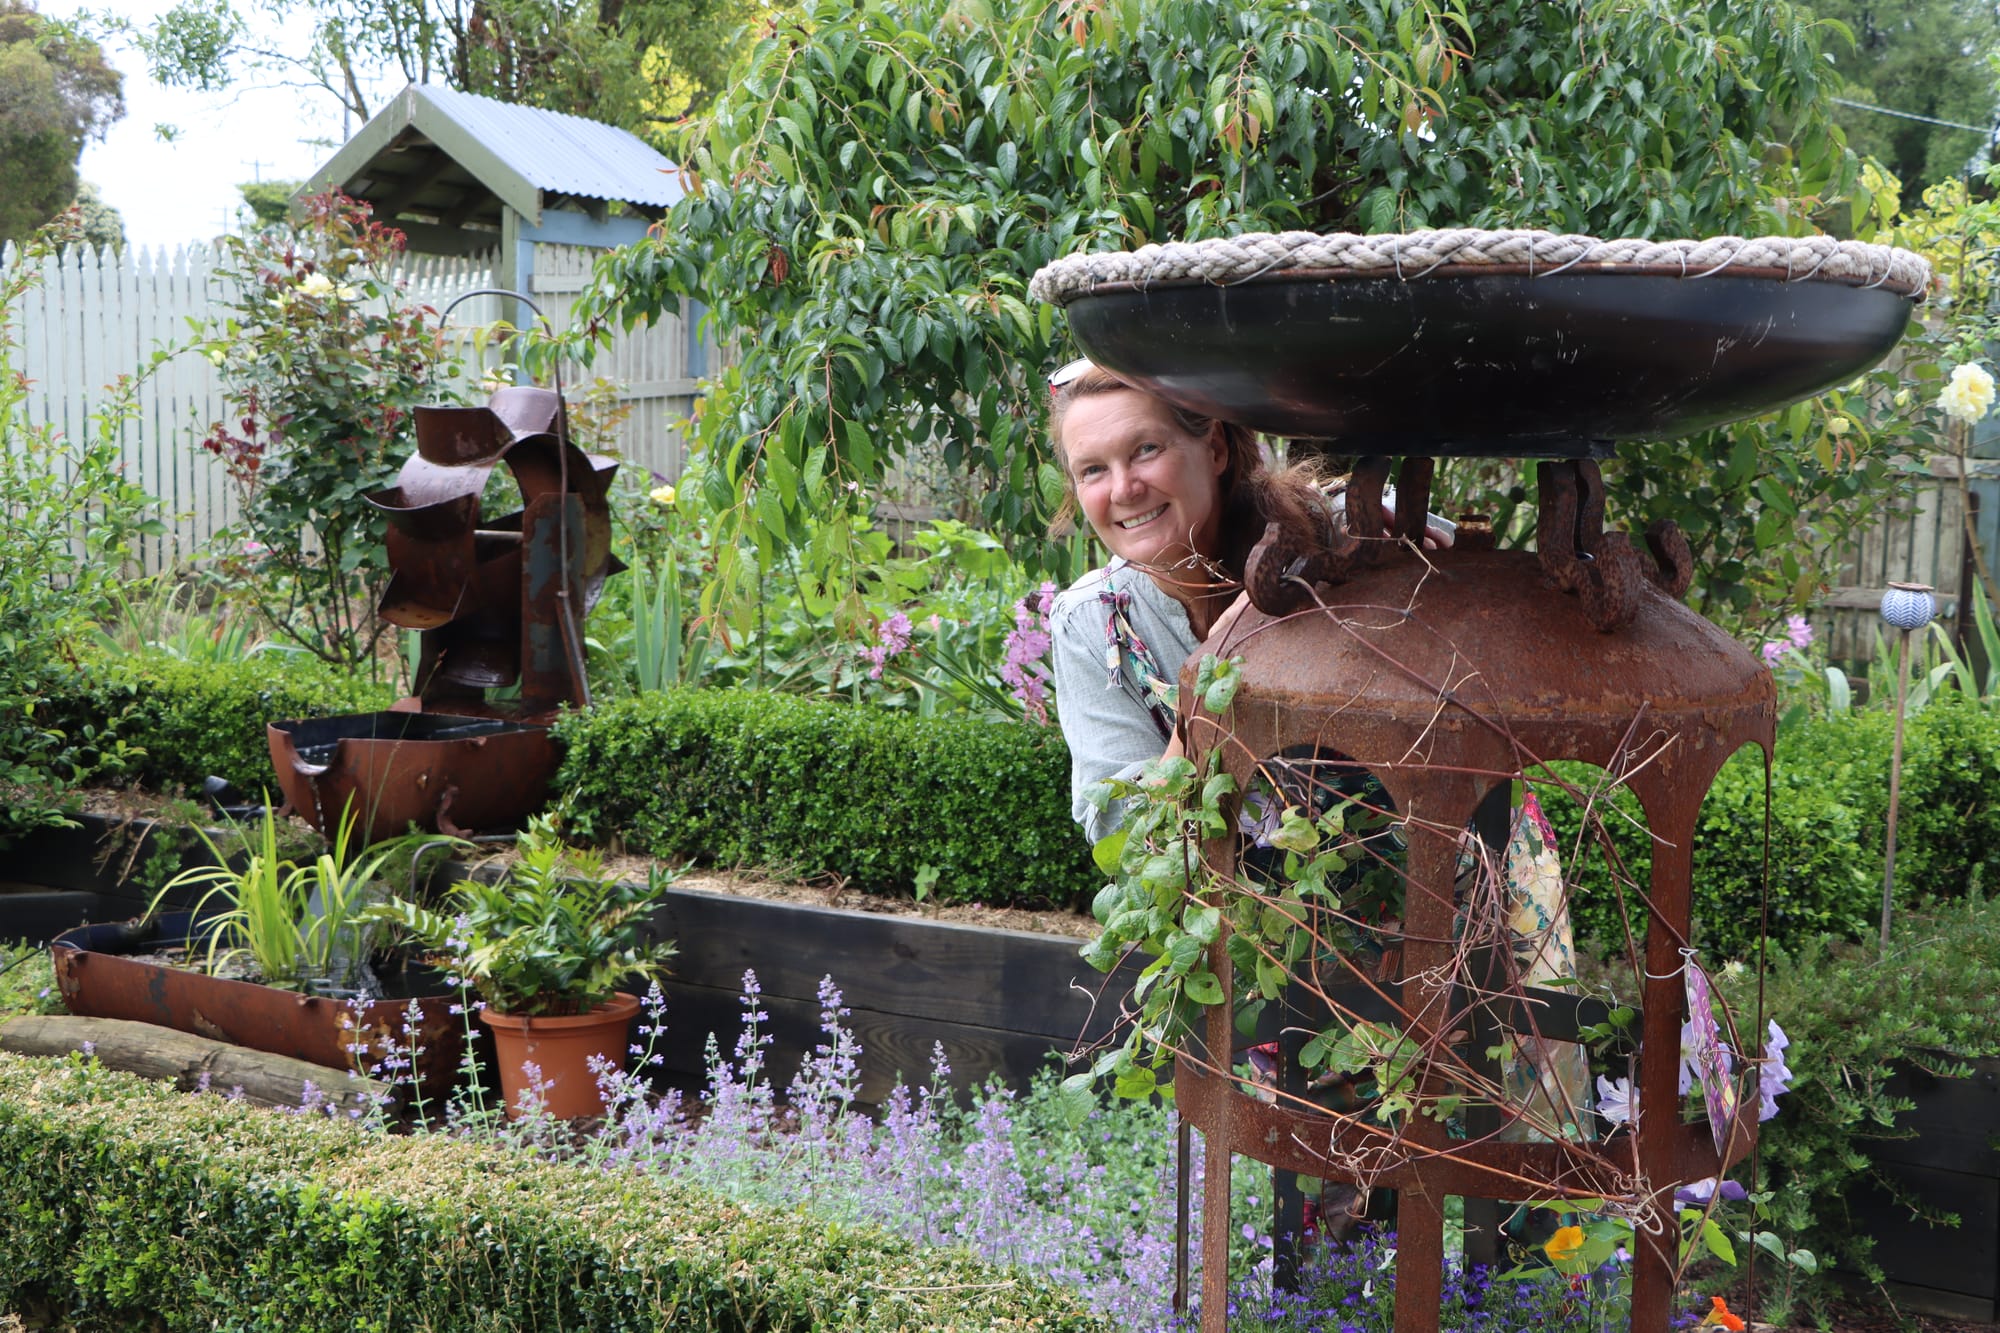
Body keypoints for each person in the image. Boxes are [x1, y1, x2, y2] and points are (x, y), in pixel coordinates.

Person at [1045, 357, 1449, 844]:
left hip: (1430, 872)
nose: (1124, 488)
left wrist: (1405, 562)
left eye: (1146, 449)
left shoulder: (1331, 535)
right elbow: (1130, 839)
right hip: (1253, 910)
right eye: (1092, 470)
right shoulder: (1093, 622)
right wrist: (1212, 675)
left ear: (1214, 447)